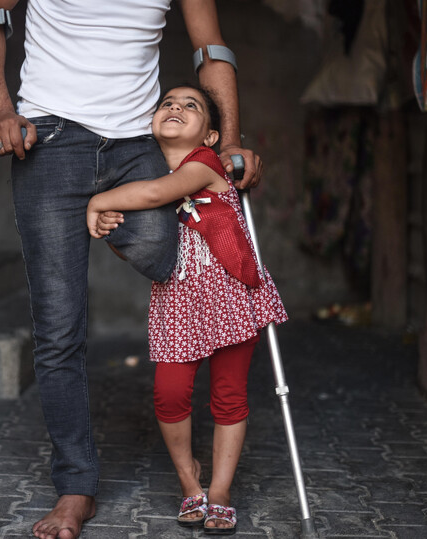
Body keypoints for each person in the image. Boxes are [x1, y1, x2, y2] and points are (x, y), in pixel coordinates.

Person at [0, 1, 263, 537]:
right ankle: (76, 488)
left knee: (160, 250)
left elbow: (211, 49)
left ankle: (97, 215)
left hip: (134, 144)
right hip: (50, 138)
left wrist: (232, 137)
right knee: (59, 329)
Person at [86, 85, 288, 534]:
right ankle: (188, 479)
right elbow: (139, 248)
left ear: (211, 136)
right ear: (152, 124)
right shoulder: (141, 178)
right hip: (176, 301)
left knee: (229, 394)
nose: (175, 107)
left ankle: (219, 491)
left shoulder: (204, 165)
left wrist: (98, 201)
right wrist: (111, 228)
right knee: (170, 393)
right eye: (167, 104)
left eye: (190, 105)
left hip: (231, 294)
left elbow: (159, 193)